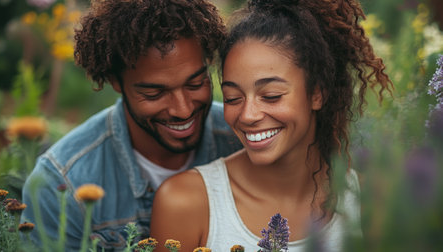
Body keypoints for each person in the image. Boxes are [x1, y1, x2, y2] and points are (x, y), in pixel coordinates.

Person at [150, 0, 393, 251]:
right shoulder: (186, 203)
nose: (247, 115)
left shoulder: (370, 199)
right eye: (233, 98)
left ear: (317, 93)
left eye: (271, 95)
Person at [20, 0, 242, 250]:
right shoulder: (62, 184)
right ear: (115, 81)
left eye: (195, 84)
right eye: (155, 93)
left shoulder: (243, 140)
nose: (183, 109)